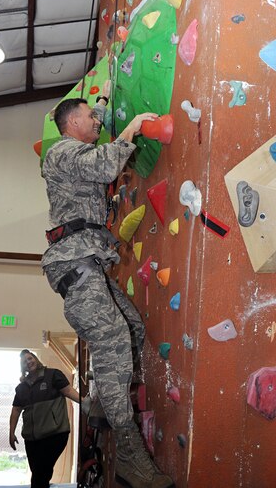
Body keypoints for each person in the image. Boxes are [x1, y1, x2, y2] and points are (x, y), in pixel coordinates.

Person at [41, 97, 174, 488]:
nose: (96, 123)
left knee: (131, 328)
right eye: (89, 118)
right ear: (72, 122)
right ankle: (132, 458)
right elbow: (103, 163)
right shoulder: (61, 152)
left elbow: (94, 131)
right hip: (73, 263)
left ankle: (101, 399)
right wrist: (131, 127)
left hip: (88, 263)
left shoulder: (74, 145)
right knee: (115, 337)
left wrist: (100, 103)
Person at [9, 350, 79, 488]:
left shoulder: (53, 375)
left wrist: (85, 403)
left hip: (55, 434)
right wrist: (11, 433)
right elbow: (16, 410)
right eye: (24, 362)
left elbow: (69, 391)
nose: (28, 362)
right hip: (31, 439)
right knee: (39, 473)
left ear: (36, 359)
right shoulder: (21, 388)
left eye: (30, 358)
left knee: (40, 474)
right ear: (22, 367)